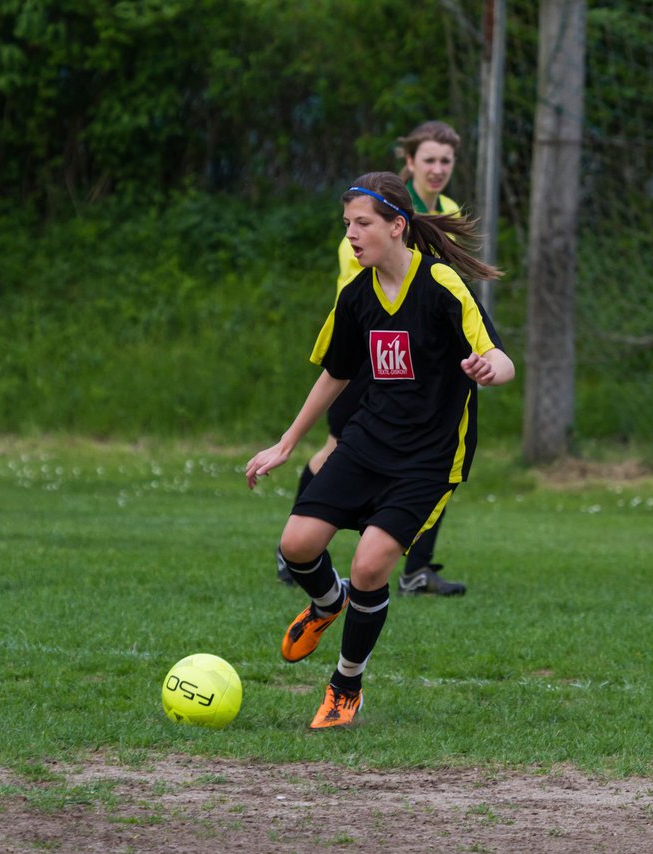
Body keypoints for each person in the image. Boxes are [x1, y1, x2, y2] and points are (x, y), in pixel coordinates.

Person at [247, 172, 514, 728]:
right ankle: (326, 604)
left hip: (430, 458)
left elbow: (500, 357)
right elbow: (336, 373)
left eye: (362, 223)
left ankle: (346, 683)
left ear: (397, 225)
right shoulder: (356, 296)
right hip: (368, 441)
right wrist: (287, 441)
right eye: (347, 224)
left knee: (369, 566)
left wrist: (489, 370)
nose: (352, 234)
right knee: (296, 544)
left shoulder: (441, 284)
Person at [277, 120, 471, 596]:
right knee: (337, 446)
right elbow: (366, 281)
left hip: (417, 354)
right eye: (429, 159)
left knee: (432, 447)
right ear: (409, 163)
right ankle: (298, 550)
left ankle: (412, 567)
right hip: (370, 348)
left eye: (446, 160)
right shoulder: (375, 208)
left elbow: (439, 285)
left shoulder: (444, 211)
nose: (438, 169)